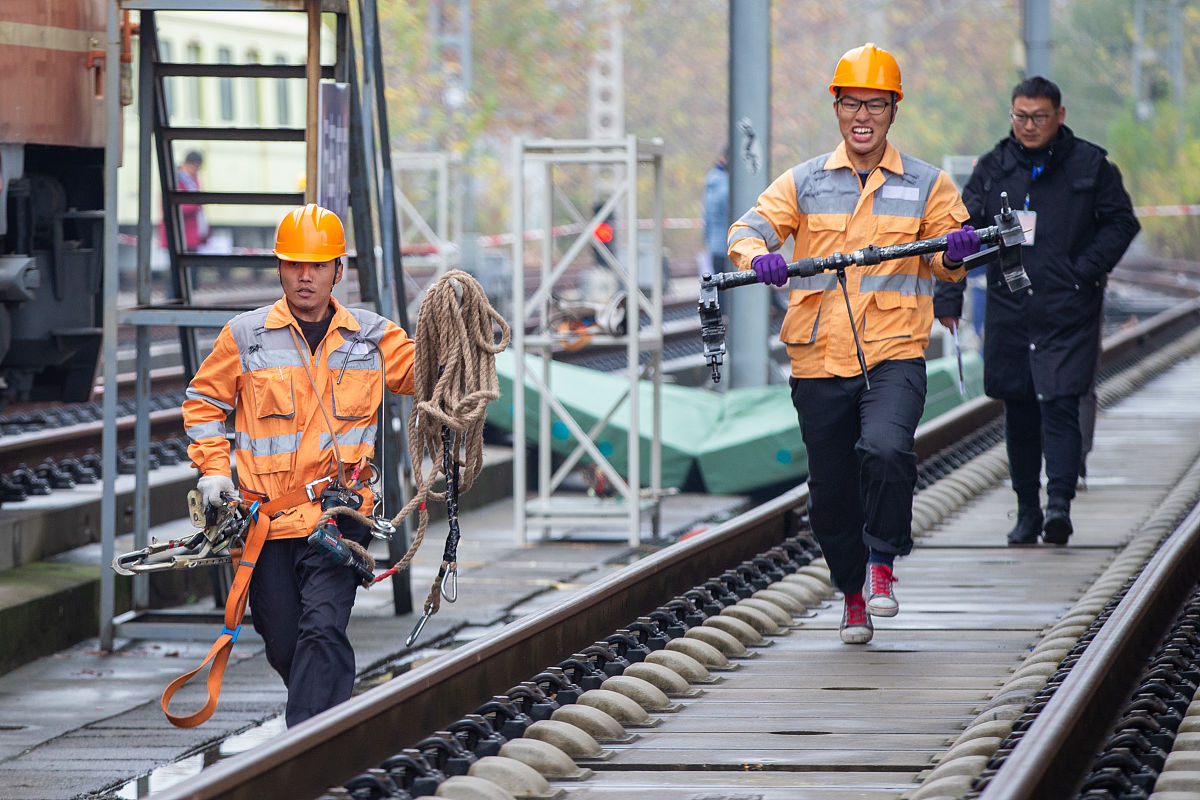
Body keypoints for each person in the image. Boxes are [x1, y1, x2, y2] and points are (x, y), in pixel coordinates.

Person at [727, 43, 977, 645]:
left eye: (875, 104)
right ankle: (852, 593)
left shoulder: (927, 185)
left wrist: (956, 254)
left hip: (893, 352)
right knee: (831, 490)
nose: (862, 116)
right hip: (818, 358)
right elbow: (748, 228)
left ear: (893, 110)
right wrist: (758, 256)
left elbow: (950, 256)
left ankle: (884, 563)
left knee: (887, 450)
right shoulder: (804, 182)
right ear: (835, 108)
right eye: (850, 104)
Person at [182, 204, 415, 726]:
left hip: (339, 518)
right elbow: (202, 404)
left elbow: (430, 376)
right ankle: (332, 724)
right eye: (293, 264)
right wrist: (214, 469)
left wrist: (461, 339)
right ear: (279, 268)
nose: (304, 276)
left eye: (317, 265)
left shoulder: (372, 338)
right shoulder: (246, 337)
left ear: (339, 269)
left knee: (323, 629)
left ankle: (309, 751)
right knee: (285, 639)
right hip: (268, 522)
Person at [933, 76, 1139, 547]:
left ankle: (1059, 507)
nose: (1028, 126)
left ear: (1059, 116)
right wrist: (949, 299)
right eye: (1020, 116)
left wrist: (1084, 270)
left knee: (1062, 403)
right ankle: (1027, 511)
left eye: (1038, 117)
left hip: (1068, 306)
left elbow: (1121, 223)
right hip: (1009, 308)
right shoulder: (993, 167)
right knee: (1020, 410)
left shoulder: (1090, 164)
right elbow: (960, 238)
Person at [172, 150, 210, 251]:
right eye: (196, 168)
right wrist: (197, 203)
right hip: (179, 232)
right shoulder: (175, 179)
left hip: (192, 234)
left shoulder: (193, 180)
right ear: (188, 164)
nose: (196, 171)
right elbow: (177, 207)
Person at [703, 148, 730, 274]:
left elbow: (707, 219)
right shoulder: (726, 185)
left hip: (715, 246)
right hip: (728, 249)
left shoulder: (713, 182)